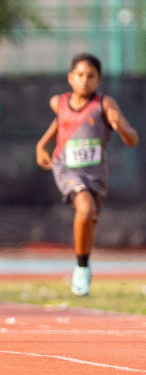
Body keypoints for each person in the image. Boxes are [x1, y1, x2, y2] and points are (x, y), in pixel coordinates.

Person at [35, 52, 138, 296]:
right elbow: (61, 123)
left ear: (98, 80)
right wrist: (41, 146)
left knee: (91, 218)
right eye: (80, 75)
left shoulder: (104, 104)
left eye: (91, 76)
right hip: (66, 167)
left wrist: (120, 126)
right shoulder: (58, 102)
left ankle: (85, 262)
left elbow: (132, 140)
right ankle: (80, 268)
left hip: (95, 172)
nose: (85, 80)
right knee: (85, 208)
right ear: (70, 78)